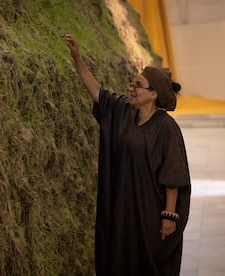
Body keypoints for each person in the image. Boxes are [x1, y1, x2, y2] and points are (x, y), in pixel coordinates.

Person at [65, 34, 191, 276]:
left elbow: (173, 176)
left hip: (150, 214)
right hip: (122, 210)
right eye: (132, 84)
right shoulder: (123, 112)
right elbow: (96, 92)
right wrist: (77, 58)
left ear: (153, 94)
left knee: (146, 265)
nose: (131, 89)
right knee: (120, 260)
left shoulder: (166, 128)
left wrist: (169, 216)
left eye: (138, 85)